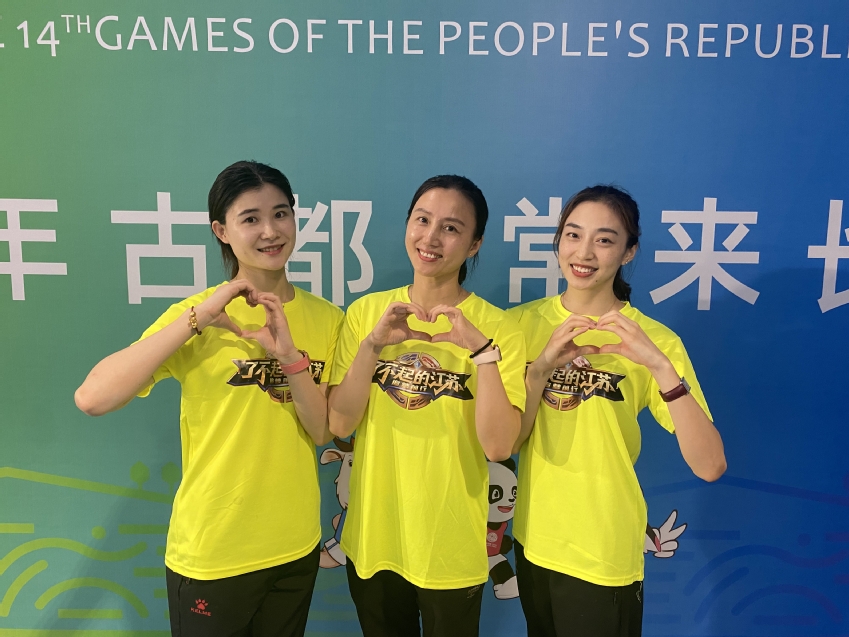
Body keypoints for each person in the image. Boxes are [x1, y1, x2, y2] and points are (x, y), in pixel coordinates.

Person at [74, 161, 342, 637]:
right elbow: (93, 397)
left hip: (295, 547)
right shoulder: (198, 317)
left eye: (280, 214)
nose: (270, 231)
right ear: (221, 231)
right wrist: (197, 319)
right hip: (215, 552)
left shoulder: (328, 319)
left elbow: (322, 430)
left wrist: (288, 357)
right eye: (250, 218)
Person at [508, 185, 726, 637]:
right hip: (533, 541)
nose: (584, 252)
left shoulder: (655, 341)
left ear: (629, 252)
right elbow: (508, 441)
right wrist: (539, 371)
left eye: (604, 240)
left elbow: (710, 465)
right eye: (573, 235)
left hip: (603, 549)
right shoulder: (519, 325)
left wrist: (660, 368)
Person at [327, 175, 526, 637]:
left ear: (474, 245)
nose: (431, 238)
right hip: (374, 538)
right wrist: (372, 346)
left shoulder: (500, 329)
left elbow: (498, 447)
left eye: (451, 228)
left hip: (449, 543)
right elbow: (339, 421)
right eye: (422, 220)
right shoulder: (366, 315)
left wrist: (483, 353)